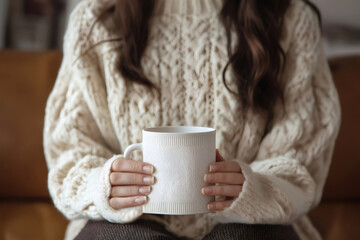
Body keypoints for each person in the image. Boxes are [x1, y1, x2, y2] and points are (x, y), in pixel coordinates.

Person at [43, 0, 341, 239]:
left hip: (254, 226)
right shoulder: (95, 20)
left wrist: (254, 190)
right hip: (126, 226)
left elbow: (304, 159)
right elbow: (69, 153)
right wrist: (101, 185)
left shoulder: (291, 19)